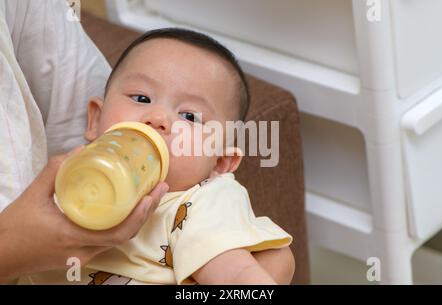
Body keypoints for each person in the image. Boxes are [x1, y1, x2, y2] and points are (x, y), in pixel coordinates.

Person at [0, 1, 294, 284]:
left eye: (190, 116)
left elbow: (239, 279)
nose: (158, 118)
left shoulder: (198, 204)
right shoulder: (57, 180)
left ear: (219, 162)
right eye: (141, 98)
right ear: (95, 119)